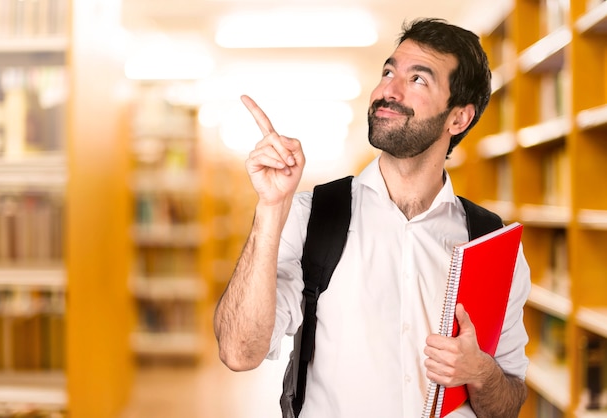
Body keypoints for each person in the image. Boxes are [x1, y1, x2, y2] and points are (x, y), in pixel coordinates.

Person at [213, 18, 531, 418]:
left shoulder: (490, 244)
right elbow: (238, 352)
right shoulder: (314, 217)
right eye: (388, 71)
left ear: (458, 119)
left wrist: (481, 373)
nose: (388, 91)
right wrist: (271, 207)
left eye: (418, 79)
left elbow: (508, 404)